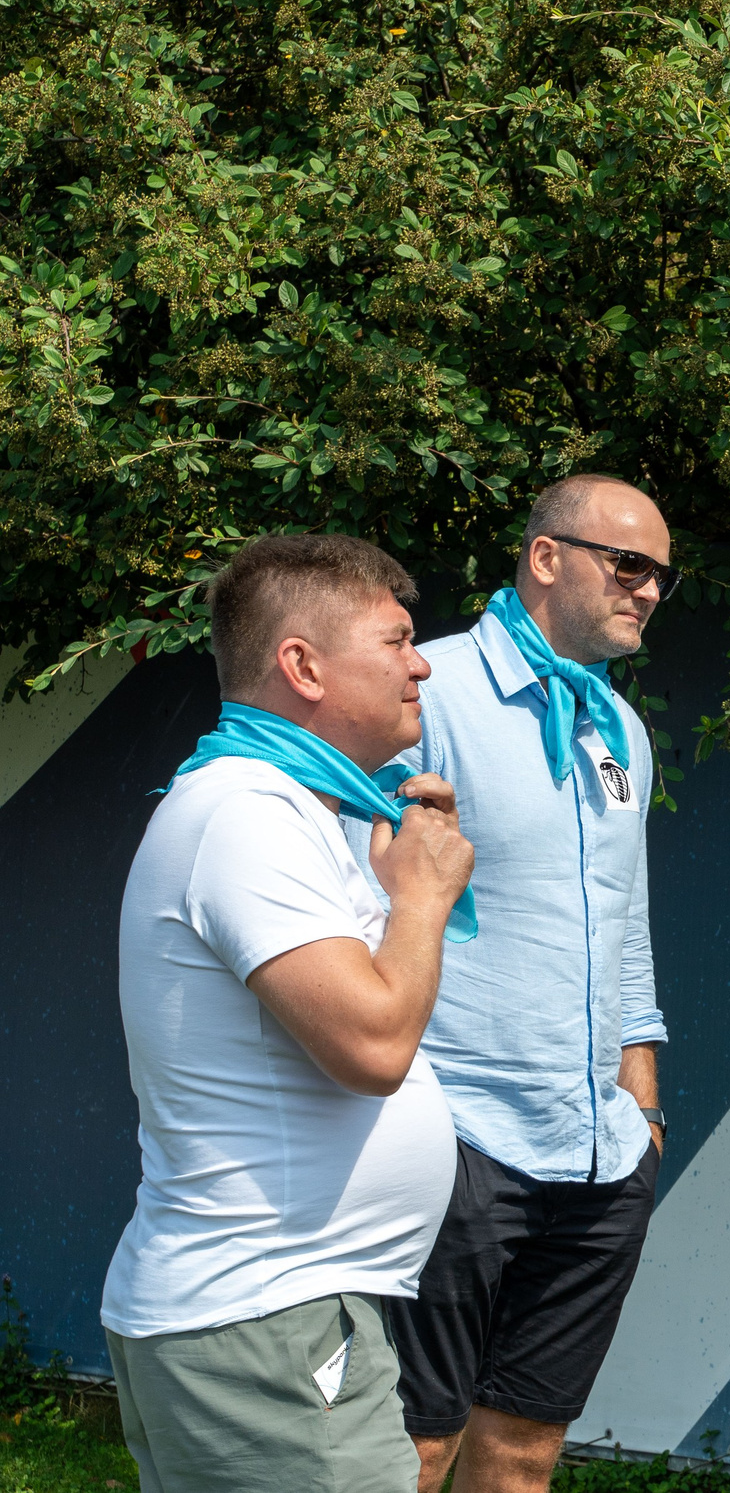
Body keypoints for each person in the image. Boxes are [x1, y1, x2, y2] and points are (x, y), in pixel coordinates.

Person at [104, 534, 475, 1493]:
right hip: (266, 1322)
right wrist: (422, 899)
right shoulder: (248, 815)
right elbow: (373, 1044)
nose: (422, 664)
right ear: (302, 665)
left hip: (275, 1315)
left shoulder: (289, 810)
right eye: (396, 640)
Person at [388, 474, 677, 1493]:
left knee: (523, 1453)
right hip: (457, 1136)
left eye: (662, 575)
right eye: (628, 565)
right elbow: (363, 899)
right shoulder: (428, 694)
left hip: (598, 1154)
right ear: (546, 556)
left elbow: (626, 926)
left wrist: (642, 1112)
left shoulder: (620, 730)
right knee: (413, 1447)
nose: (649, 590)